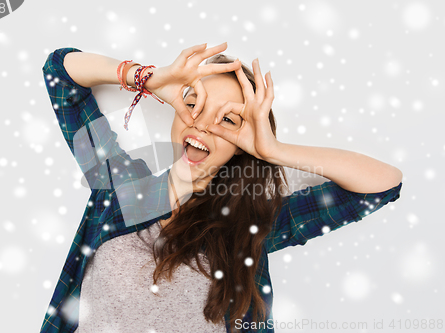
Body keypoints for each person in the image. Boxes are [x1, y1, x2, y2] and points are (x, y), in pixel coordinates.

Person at [39, 42, 403, 333]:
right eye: (195, 104)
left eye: (228, 120)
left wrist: (272, 150)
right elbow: (60, 73)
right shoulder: (119, 188)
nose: (205, 125)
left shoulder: (249, 224)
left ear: (240, 145)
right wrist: (153, 79)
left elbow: (380, 186)